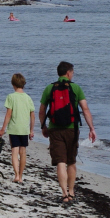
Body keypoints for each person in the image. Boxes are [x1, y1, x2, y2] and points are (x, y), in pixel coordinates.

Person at [38, 61, 95, 203]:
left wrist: (43, 126)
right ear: (68, 73)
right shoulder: (76, 88)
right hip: (72, 129)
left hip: (55, 129)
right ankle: (71, 192)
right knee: (71, 162)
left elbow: (41, 110)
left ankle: (64, 194)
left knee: (60, 162)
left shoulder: (49, 88)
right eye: (72, 73)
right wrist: (91, 128)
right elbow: (85, 109)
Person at [0, 73, 37, 184]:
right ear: (23, 84)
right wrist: (31, 130)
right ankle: (21, 176)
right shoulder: (28, 98)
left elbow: (8, 114)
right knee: (23, 152)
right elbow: (32, 115)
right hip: (24, 129)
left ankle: (16, 175)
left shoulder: (11, 97)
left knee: (14, 152)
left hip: (13, 128)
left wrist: (3, 129)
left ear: (13, 84)